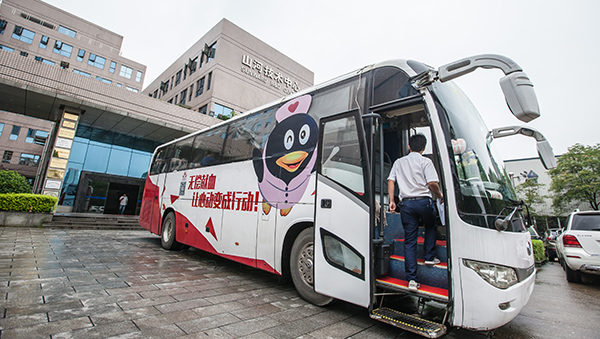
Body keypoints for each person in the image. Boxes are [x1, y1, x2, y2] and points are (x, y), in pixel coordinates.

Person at [387, 133, 443, 292]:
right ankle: (429, 257)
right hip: (423, 201)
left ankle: (412, 280)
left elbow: (391, 180)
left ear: (409, 146)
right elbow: (432, 183)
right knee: (431, 225)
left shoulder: (399, 162)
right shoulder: (426, 161)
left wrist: (392, 200)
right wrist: (439, 195)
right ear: (424, 148)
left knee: (409, 240)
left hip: (406, 204)